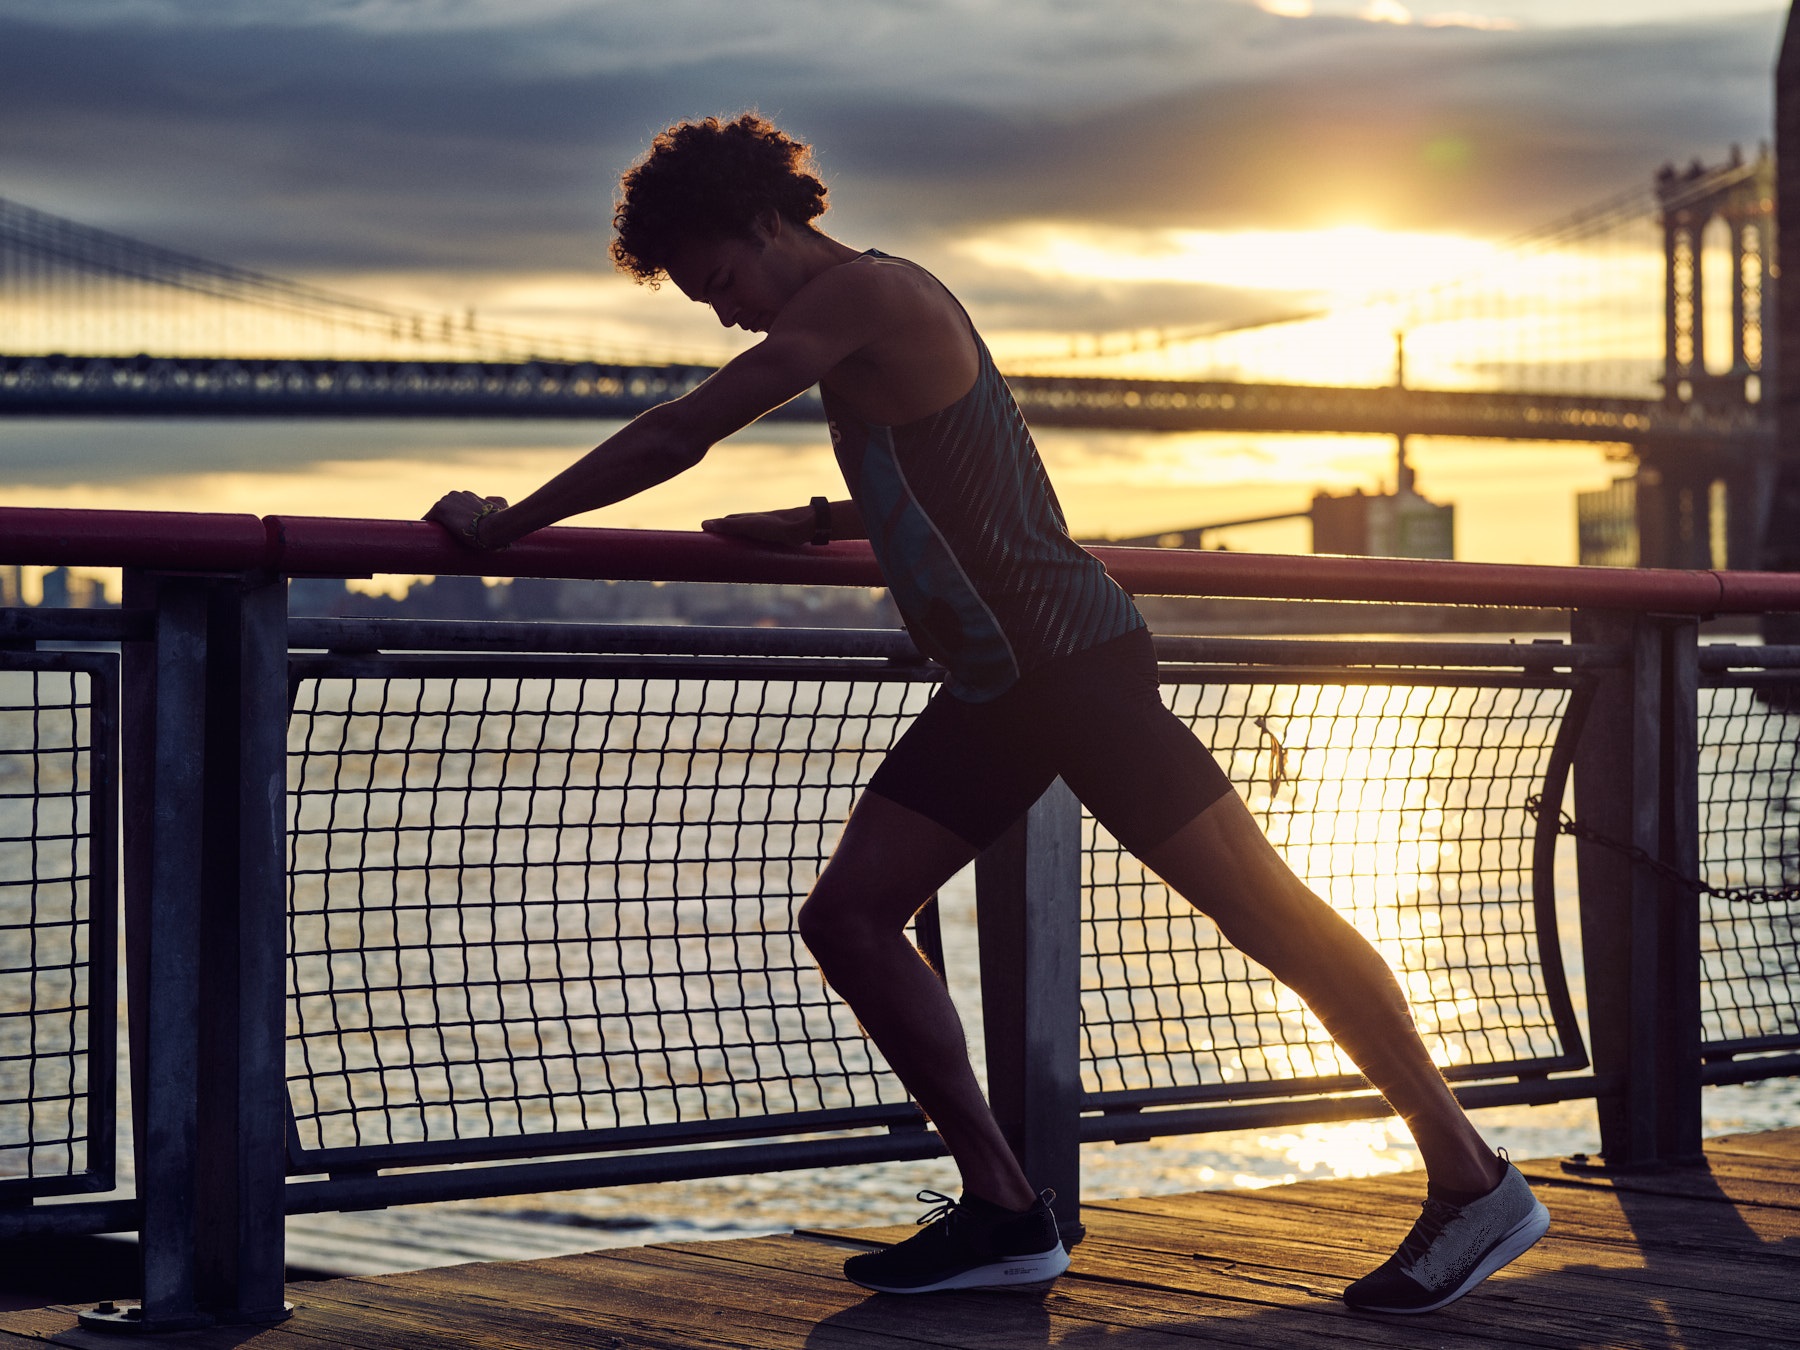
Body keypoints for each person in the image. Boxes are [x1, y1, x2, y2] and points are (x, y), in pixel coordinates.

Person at [426, 112, 1549, 1312]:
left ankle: (1472, 1179)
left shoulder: (871, 296)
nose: (723, 313)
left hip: (1070, 667)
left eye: (720, 281)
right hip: (1004, 688)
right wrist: (820, 524)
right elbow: (968, 475)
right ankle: (1008, 1210)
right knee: (852, 920)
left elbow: (686, 429)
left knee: (1267, 914)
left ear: (766, 223)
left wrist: (507, 522)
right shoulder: (856, 318)